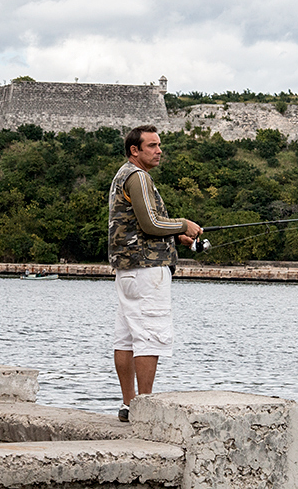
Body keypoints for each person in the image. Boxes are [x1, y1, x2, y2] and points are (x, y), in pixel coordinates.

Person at [108, 124, 202, 422]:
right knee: (149, 337)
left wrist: (176, 238)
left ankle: (128, 404)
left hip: (127, 269)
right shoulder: (138, 177)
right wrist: (184, 224)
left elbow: (139, 225)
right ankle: (144, 407)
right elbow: (150, 224)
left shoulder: (122, 175)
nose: (159, 150)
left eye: (159, 145)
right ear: (134, 150)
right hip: (147, 270)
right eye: (151, 146)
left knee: (125, 337)